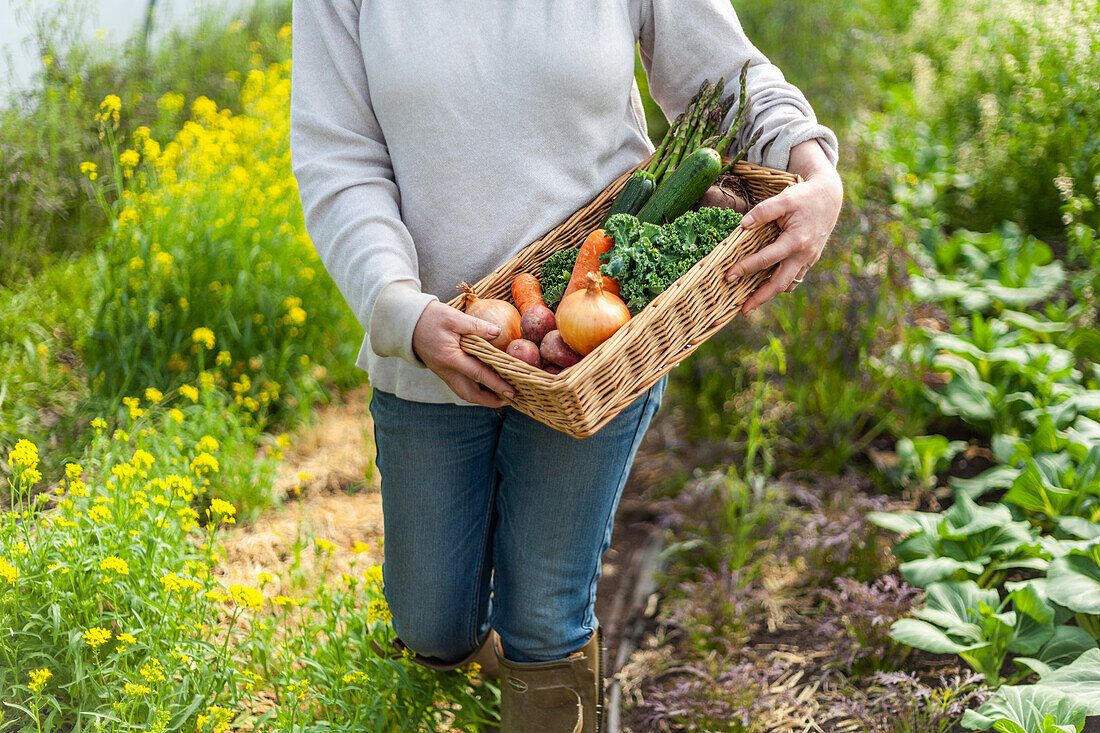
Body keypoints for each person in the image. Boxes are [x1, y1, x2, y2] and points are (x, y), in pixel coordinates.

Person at [290, 0, 842, 729]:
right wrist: (401, 309)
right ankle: (498, 668)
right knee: (431, 626)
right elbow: (339, 155)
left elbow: (725, 72)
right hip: (432, 343)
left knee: (544, 619)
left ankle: (539, 682)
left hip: (596, 342)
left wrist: (814, 168)